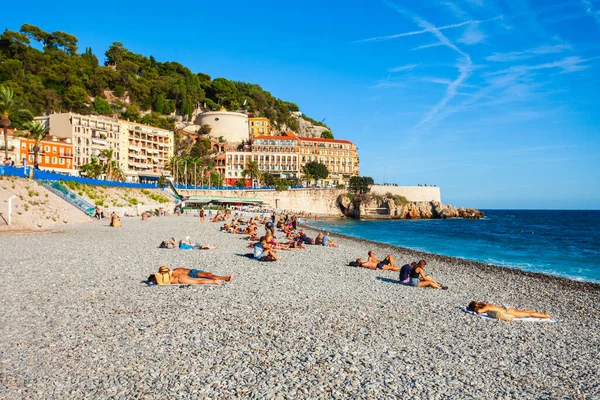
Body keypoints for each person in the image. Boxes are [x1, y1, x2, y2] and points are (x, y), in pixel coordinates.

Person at [148, 266, 232, 286]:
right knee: (205, 277)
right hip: (184, 276)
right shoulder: (167, 276)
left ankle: (221, 279)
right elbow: (151, 283)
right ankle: (222, 279)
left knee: (206, 276)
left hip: (186, 275)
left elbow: (152, 282)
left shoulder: (169, 274)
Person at [467, 301, 551, 319]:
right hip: (507, 308)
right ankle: (541, 313)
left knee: (528, 314)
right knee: (525, 311)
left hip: (508, 311)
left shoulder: (485, 308)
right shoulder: (485, 304)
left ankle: (545, 316)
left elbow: (479, 312)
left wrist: (475, 309)